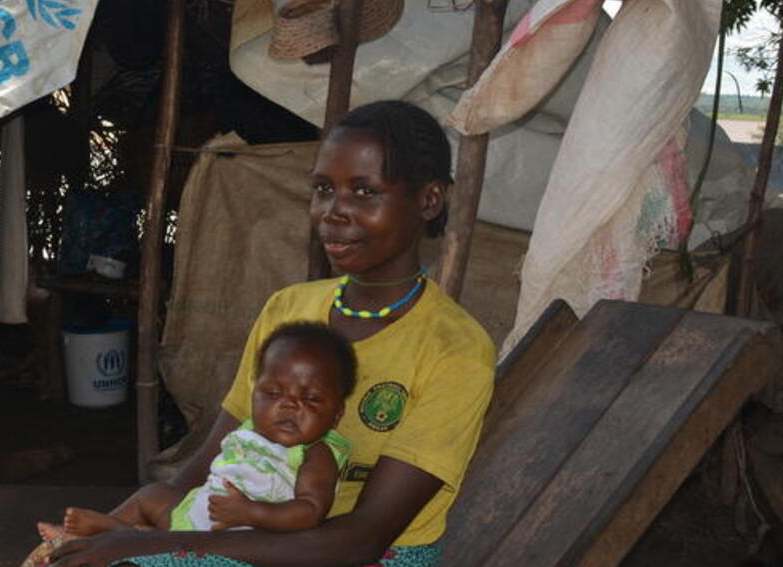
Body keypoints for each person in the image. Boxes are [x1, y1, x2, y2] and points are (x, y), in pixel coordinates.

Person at [50, 100, 496, 567]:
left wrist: (146, 548)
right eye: (323, 189)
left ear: (429, 200)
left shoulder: (455, 349)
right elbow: (214, 460)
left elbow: (362, 539)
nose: (333, 212)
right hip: (245, 536)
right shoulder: (289, 311)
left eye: (364, 192)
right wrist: (140, 530)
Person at [64, 322, 355, 536]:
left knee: (162, 541)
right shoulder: (249, 431)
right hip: (196, 516)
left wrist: (252, 512)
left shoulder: (315, 454)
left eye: (310, 398)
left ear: (336, 415)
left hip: (243, 538)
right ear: (254, 394)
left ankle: (126, 537)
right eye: (273, 393)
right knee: (153, 494)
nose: (289, 405)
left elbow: (311, 510)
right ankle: (97, 531)